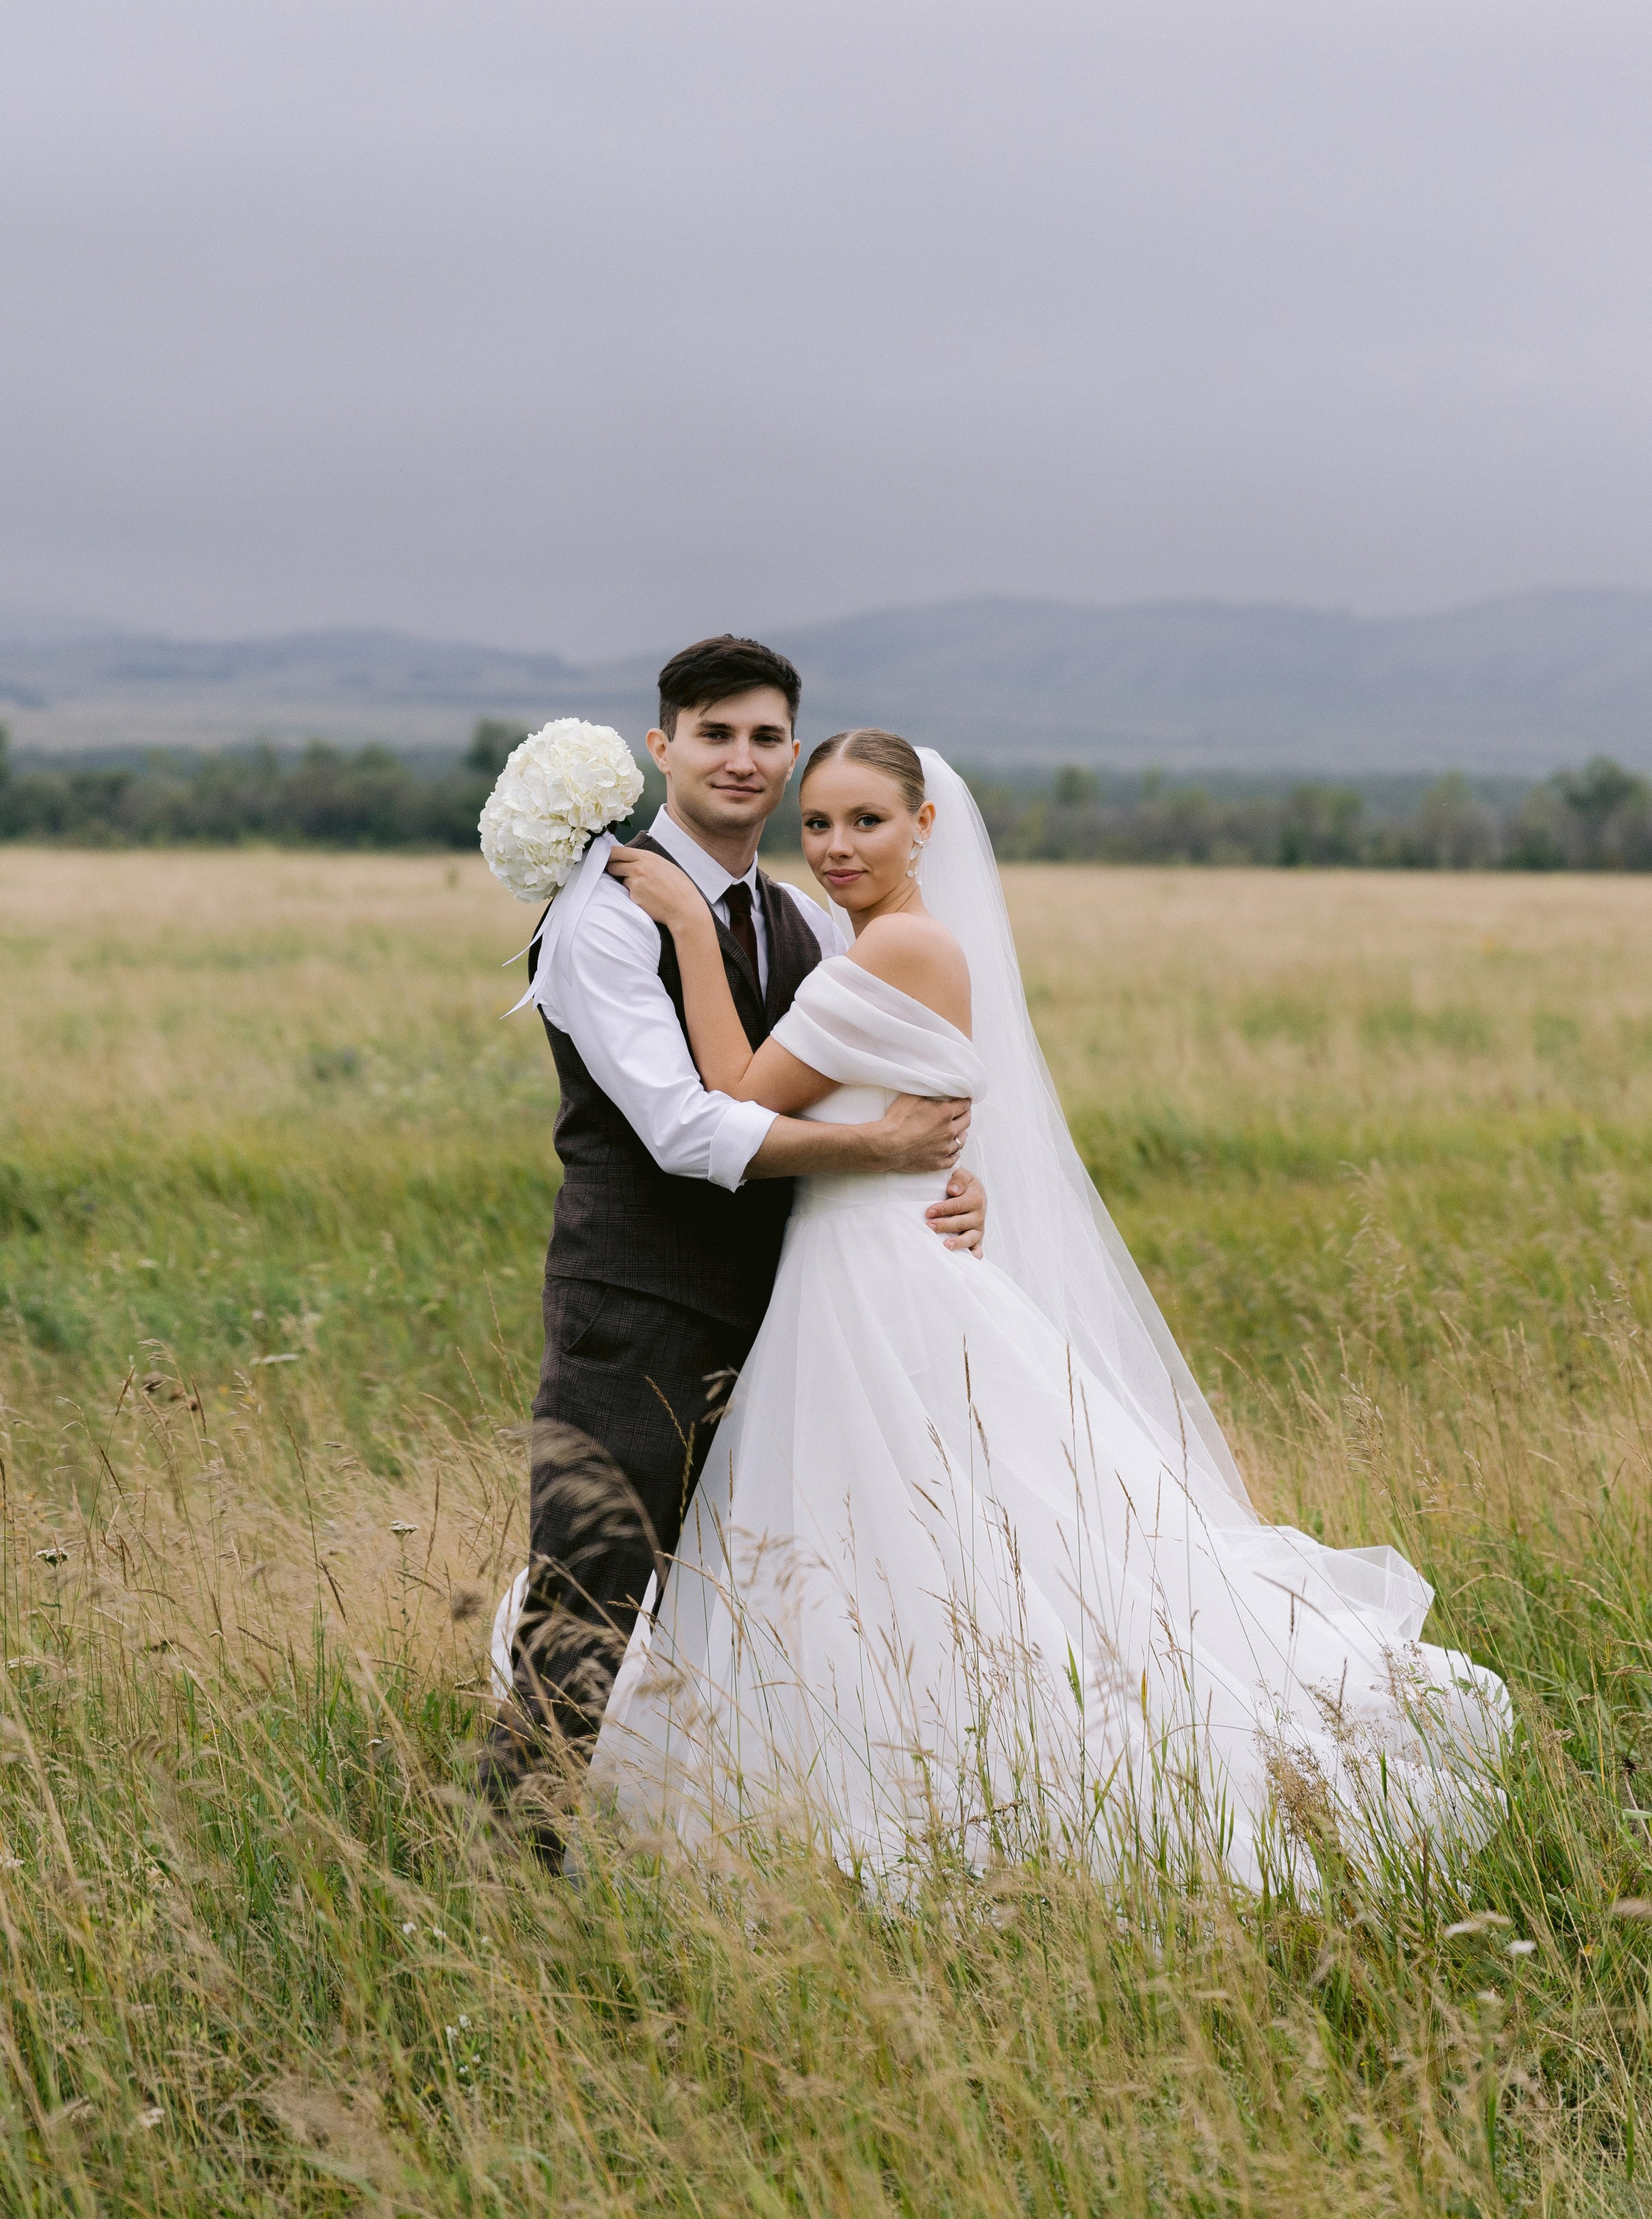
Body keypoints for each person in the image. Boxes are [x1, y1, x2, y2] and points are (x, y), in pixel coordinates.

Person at [498, 728, 1512, 1890]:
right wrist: (935, 1167)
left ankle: (976, 1782)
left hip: (874, 1272)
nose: (835, 846)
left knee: (916, 1521)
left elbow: (730, 1093)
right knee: (886, 1527)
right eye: (817, 823)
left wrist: (685, 924)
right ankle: (890, 1757)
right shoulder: (862, 939)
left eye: (867, 821)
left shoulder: (896, 947)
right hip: (855, 1255)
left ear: (924, 826)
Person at [481, 642, 986, 1829]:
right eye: (715, 734)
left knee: (769, 1593)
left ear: (792, 753)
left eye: (766, 738)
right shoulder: (607, 913)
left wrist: (952, 1182)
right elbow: (681, 1128)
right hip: (640, 1309)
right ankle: (510, 1868)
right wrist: (882, 1153)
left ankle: (742, 1838)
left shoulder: (806, 916)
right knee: (590, 1594)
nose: (742, 761)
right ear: (663, 748)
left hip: (792, 1316)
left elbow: (884, 1083)